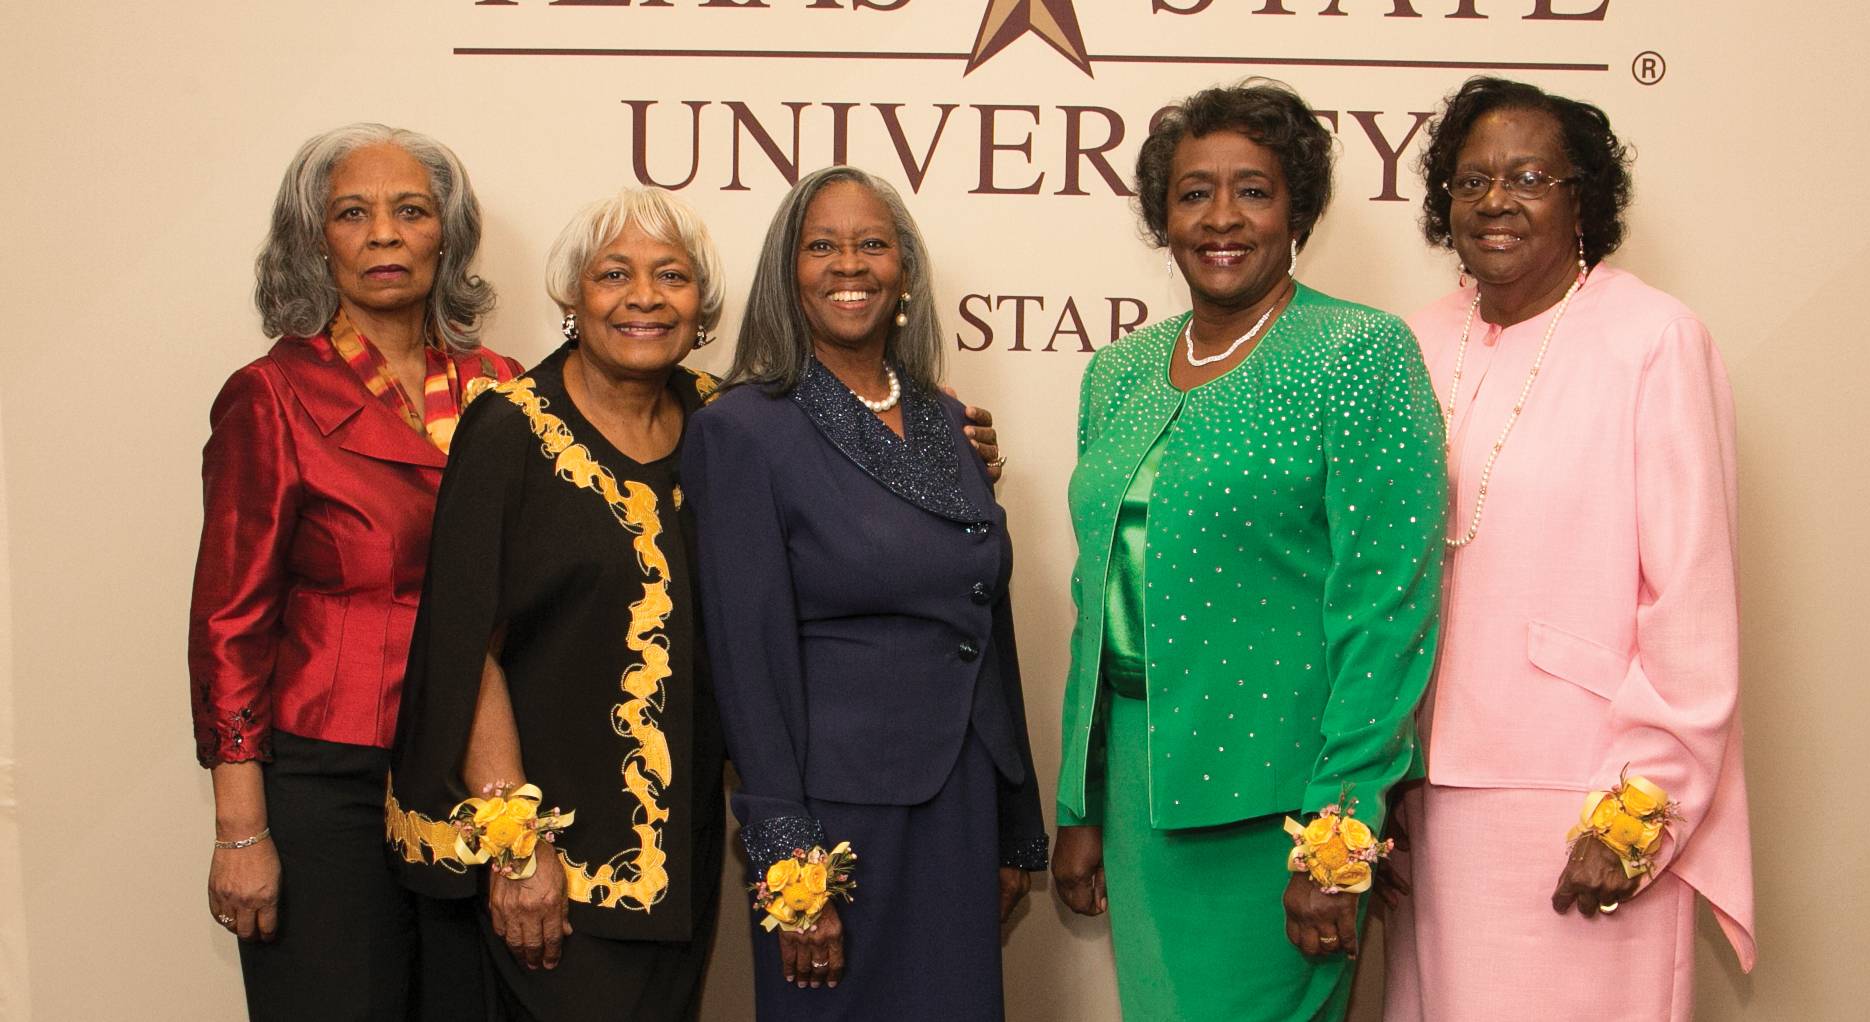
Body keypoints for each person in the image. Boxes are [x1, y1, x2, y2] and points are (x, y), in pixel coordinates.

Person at [1050, 79, 1448, 1021]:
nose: (1220, 218)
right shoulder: (1119, 372)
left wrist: (1337, 835)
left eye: (1253, 191)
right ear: (1161, 215)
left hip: (1281, 807)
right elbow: (1095, 600)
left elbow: (1387, 604)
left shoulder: (1356, 351)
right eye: (1192, 193)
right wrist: (1082, 804)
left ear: (1297, 209)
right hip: (1143, 803)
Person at [1380, 77, 1756, 1020]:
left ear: (1582, 197)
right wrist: (1368, 784)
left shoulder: (1653, 340)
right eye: (1470, 182)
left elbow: (1691, 597)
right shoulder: (1413, 344)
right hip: (1426, 793)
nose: (1495, 200)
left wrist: (1643, 808)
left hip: (1583, 792)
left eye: (1529, 176)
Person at [684, 164, 1047, 1021]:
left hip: (958, 801)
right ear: (788, 271)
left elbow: (980, 621)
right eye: (822, 246)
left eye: (872, 244)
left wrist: (1008, 819)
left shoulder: (947, 421)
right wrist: (789, 862)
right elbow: (747, 659)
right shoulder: (742, 428)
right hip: (837, 822)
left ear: (905, 271)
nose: (849, 265)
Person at [188, 123, 519, 1020]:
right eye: (352, 213)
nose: (383, 234)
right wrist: (241, 829)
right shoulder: (271, 394)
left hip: (473, 776)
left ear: (445, 234)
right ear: (313, 240)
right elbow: (229, 626)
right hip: (327, 781)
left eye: (410, 211)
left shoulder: (506, 388)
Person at [384, 186, 731, 1020]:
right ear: (573, 297)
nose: (644, 297)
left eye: (671, 275)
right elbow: (469, 646)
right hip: (558, 865)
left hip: (681, 857)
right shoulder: (509, 428)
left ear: (701, 302)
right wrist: (518, 851)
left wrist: (959, 450)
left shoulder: (721, 418)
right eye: (615, 273)